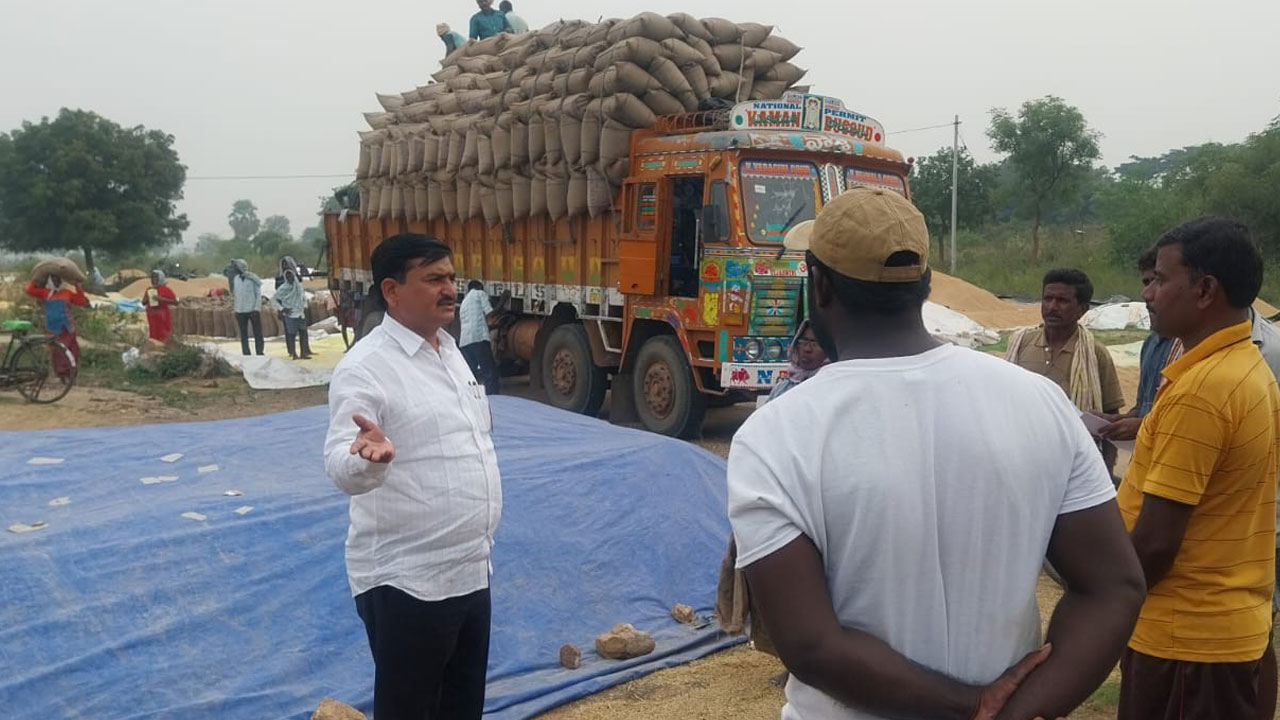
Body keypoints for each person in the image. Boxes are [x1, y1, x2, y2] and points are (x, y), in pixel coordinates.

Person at [728, 186, 1146, 720]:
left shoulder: (776, 435)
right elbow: (1115, 586)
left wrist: (972, 708)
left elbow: (810, 646)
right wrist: (1015, 711)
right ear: (925, 285)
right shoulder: (1040, 403)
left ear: (821, 285)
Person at [324, 234, 501, 720]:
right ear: (392, 290)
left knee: (461, 710)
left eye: (450, 278)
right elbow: (340, 462)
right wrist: (368, 459)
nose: (450, 290)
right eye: (433, 279)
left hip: (469, 570)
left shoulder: (450, 350)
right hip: (408, 581)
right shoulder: (366, 367)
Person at [1114, 217, 1280, 720]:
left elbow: (1158, 543)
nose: (1148, 295)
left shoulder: (1205, 391)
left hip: (1186, 640)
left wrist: (1104, 605)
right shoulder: (1242, 366)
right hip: (1213, 632)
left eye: (1161, 280)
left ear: (1205, 289)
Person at [1005, 268, 1125, 416]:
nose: (1052, 307)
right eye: (1047, 299)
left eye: (1062, 301)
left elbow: (1110, 414)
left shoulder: (1095, 354)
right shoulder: (1021, 343)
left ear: (1082, 309)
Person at [24, 273, 88, 378]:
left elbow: (81, 301)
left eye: (58, 279)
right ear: (50, 281)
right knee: (57, 353)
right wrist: (35, 280)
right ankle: (61, 376)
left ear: (61, 281)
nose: (56, 282)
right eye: (54, 279)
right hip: (53, 329)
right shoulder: (45, 293)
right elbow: (29, 291)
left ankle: (71, 374)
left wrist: (78, 287)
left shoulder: (67, 293)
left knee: (72, 351)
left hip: (67, 329)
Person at [767, 319, 828, 401]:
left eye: (815, 343)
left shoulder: (829, 386)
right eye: (804, 341)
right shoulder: (782, 388)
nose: (807, 349)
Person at [458, 280, 499, 394]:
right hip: (479, 339)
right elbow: (490, 313)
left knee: (471, 373)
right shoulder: (479, 293)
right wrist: (503, 302)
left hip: (465, 342)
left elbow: (473, 321)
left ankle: (473, 399)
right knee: (490, 373)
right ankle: (494, 400)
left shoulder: (464, 302)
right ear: (478, 287)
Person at [274, 256, 313, 360]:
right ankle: (293, 353)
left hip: (299, 312)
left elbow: (302, 296)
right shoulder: (281, 283)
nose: (285, 266)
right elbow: (275, 298)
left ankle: (304, 352)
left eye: (287, 264)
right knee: (291, 334)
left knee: (303, 332)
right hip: (289, 313)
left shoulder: (297, 282)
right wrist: (281, 309)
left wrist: (304, 307)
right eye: (283, 265)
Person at [227, 259, 264, 356]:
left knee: (258, 333)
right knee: (243, 334)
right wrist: (236, 309)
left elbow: (258, 294)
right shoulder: (236, 279)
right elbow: (236, 295)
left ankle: (259, 352)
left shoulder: (253, 278)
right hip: (240, 310)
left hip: (252, 310)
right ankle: (246, 352)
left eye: (236, 267)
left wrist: (256, 309)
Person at [141, 270, 179, 343]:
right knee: (153, 334)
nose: (154, 280)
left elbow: (175, 302)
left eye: (156, 278)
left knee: (163, 335)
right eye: (152, 278)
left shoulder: (166, 289)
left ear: (161, 278)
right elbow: (143, 302)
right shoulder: (150, 290)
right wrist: (148, 297)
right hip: (152, 316)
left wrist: (161, 299)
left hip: (162, 317)